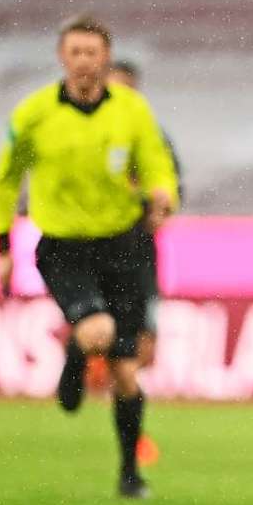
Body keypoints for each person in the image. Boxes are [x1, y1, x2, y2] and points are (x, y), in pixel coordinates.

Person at [0, 14, 179, 498]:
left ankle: (130, 475)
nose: (84, 61)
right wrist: (4, 244)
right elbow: (7, 178)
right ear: (62, 57)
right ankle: (79, 347)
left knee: (126, 370)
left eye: (92, 52)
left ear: (105, 58)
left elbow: (156, 160)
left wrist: (163, 194)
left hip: (122, 245)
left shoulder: (131, 110)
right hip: (64, 248)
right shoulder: (34, 114)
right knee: (99, 330)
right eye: (75, 52)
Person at [107, 59, 184, 368]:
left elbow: (172, 182)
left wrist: (162, 209)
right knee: (94, 325)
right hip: (91, 242)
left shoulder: (152, 134)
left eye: (129, 89)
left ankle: (131, 386)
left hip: (137, 244)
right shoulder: (83, 129)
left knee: (142, 323)